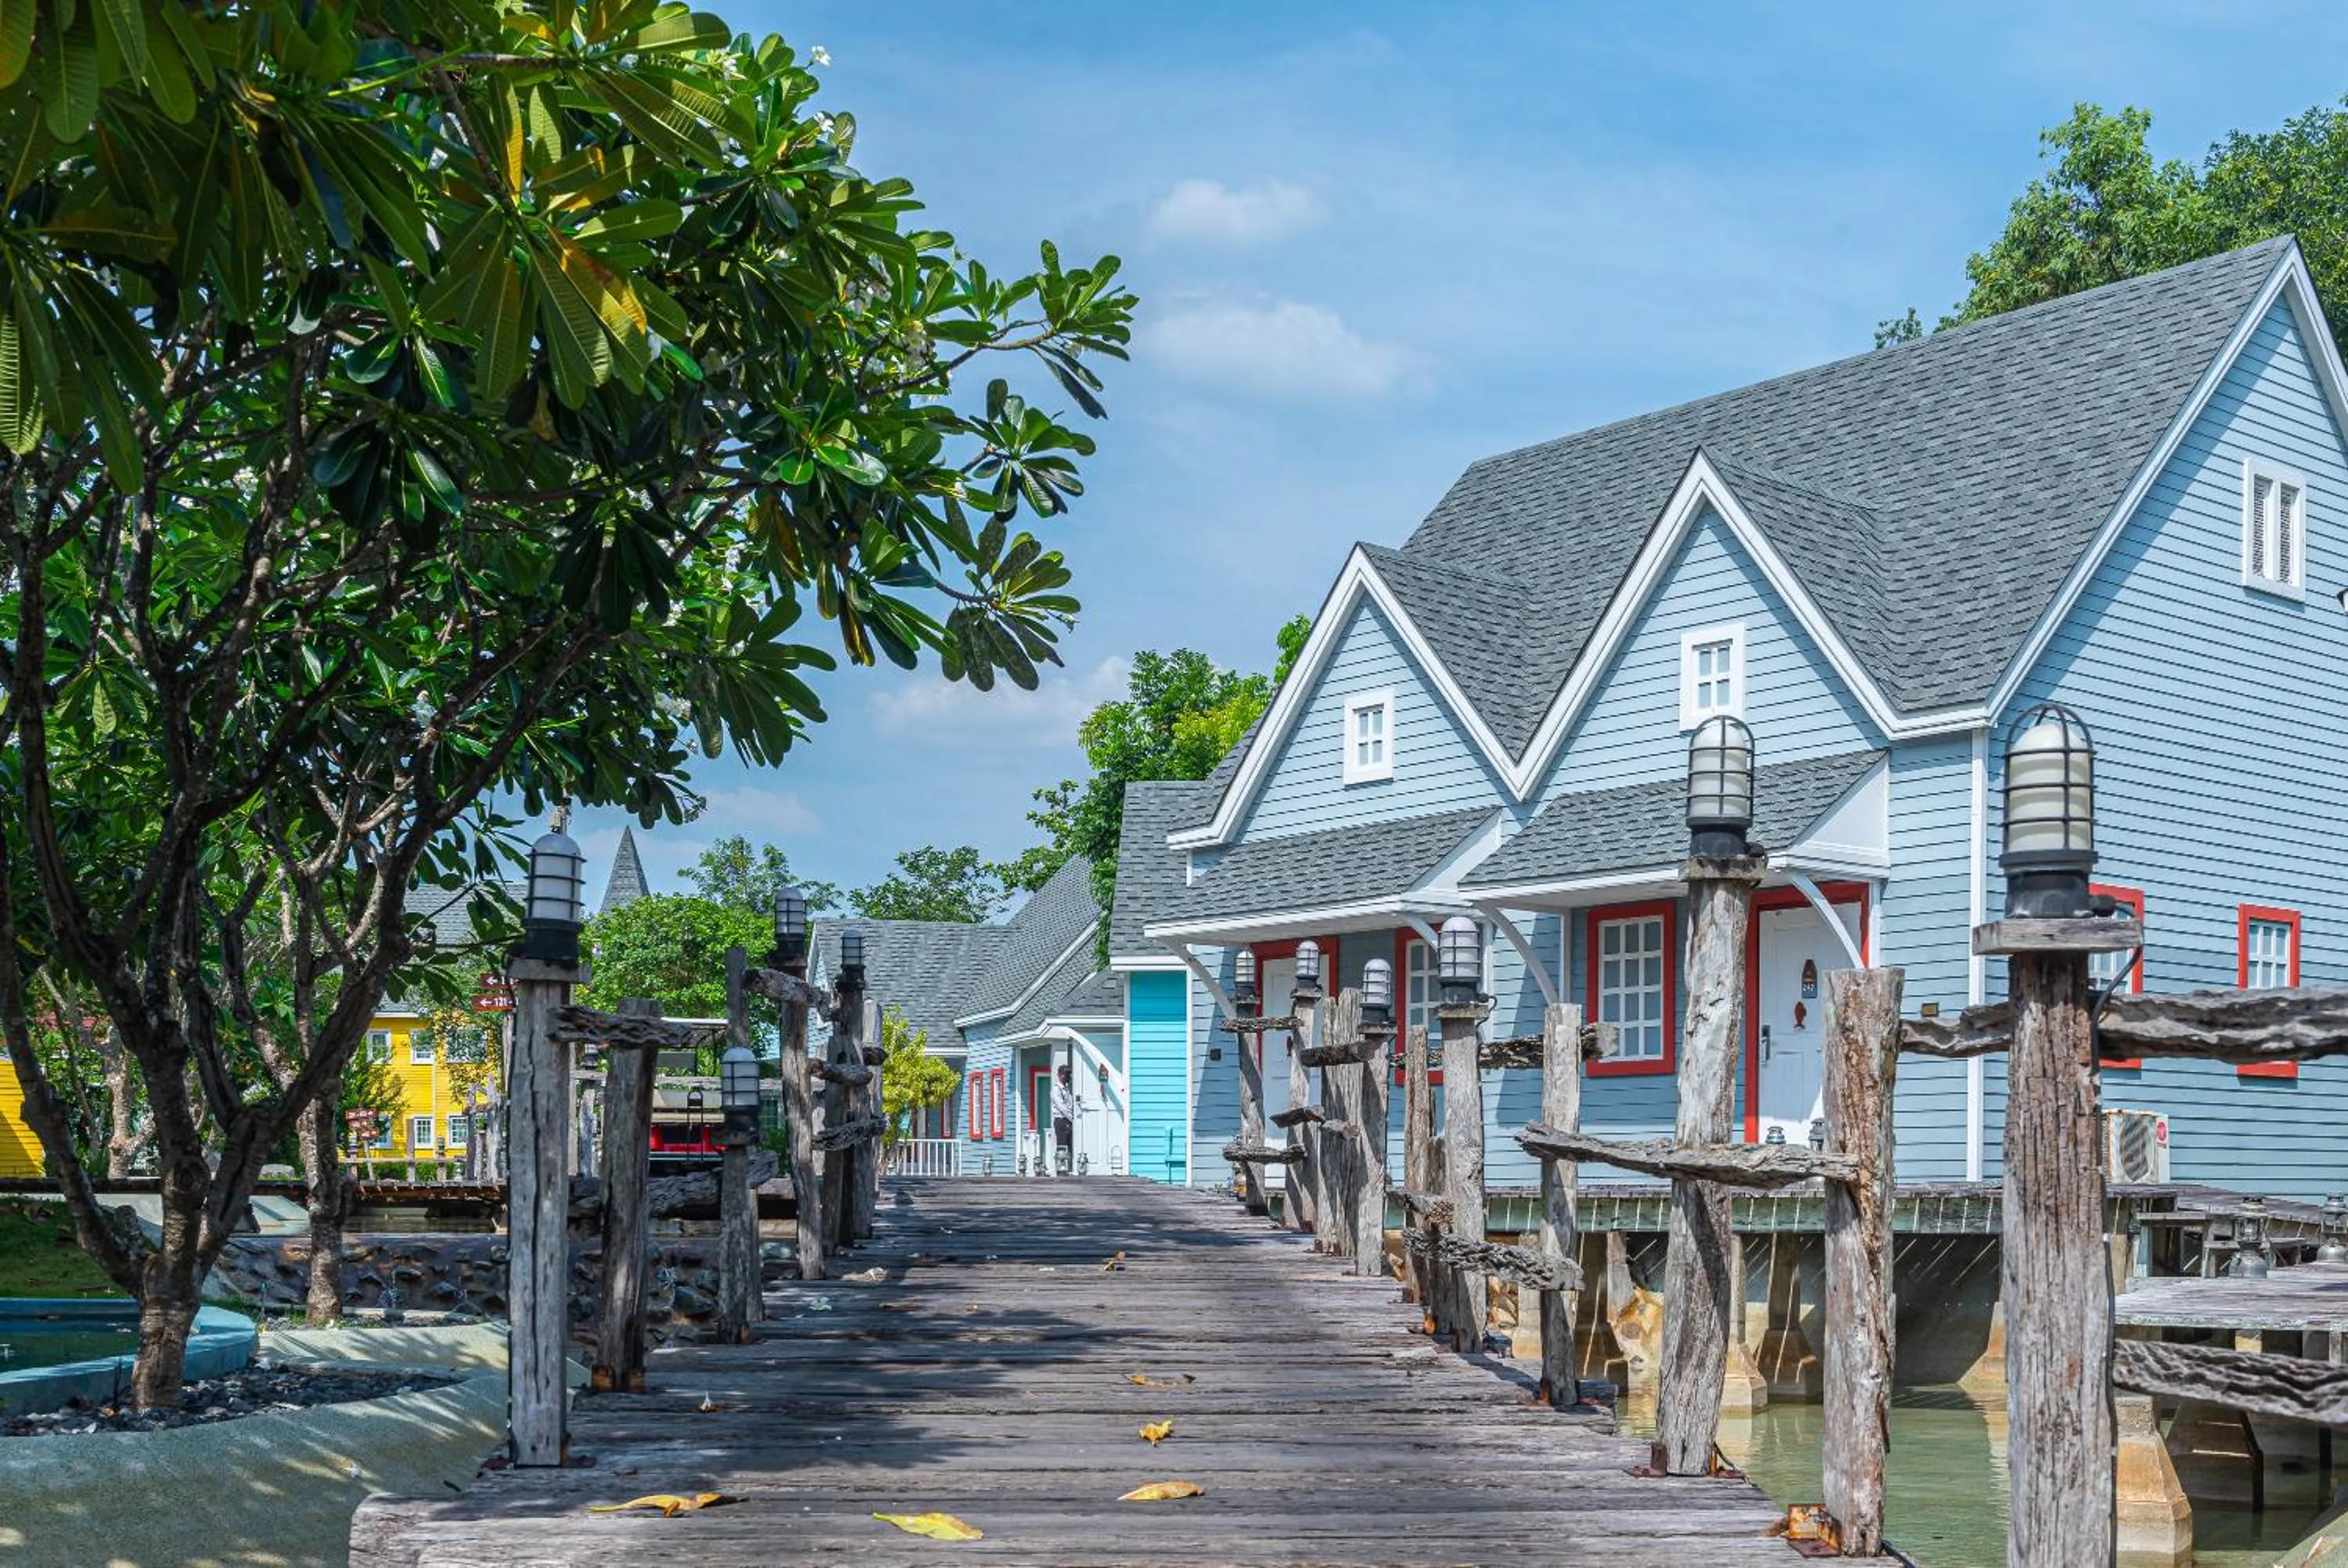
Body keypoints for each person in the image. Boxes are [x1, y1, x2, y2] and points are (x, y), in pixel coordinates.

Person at [1051, 1064, 1075, 1175]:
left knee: (1069, 1146)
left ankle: (1068, 1169)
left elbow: (1070, 1104)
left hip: (1068, 1120)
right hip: (1061, 1120)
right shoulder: (1056, 1090)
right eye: (1066, 1074)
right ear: (1060, 1075)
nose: (1068, 1077)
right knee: (1062, 1145)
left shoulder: (1067, 1089)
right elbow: (1062, 1107)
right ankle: (1061, 1171)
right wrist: (1072, 1119)